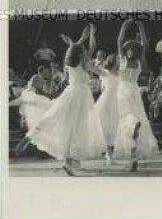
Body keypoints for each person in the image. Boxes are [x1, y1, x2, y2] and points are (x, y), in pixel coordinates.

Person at [17, 25, 106, 175]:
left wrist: (76, 41)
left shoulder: (70, 63)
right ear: (80, 55)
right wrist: (91, 34)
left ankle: (64, 157)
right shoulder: (83, 64)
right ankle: (68, 160)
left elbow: (76, 50)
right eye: (83, 52)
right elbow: (92, 47)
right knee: (75, 128)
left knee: (61, 120)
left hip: (70, 93)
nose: (86, 53)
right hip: (80, 96)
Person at [115, 19, 157, 171]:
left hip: (127, 90)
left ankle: (133, 127)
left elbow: (122, 42)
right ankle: (133, 156)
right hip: (131, 91)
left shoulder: (130, 59)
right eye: (129, 48)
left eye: (130, 48)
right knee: (132, 117)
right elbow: (124, 42)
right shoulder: (133, 60)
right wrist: (133, 27)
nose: (129, 50)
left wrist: (131, 27)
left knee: (128, 117)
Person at [93, 53, 119, 164]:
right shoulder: (106, 72)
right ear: (113, 61)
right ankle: (107, 153)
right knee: (105, 126)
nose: (119, 61)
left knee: (114, 127)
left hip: (116, 100)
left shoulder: (120, 74)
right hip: (106, 101)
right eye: (117, 59)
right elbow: (93, 69)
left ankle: (110, 155)